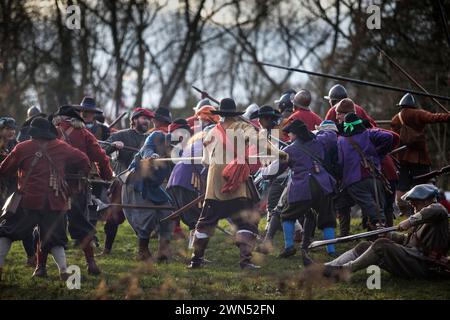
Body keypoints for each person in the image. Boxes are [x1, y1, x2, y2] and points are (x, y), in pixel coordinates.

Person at [188, 98, 286, 269]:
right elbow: (261, 142)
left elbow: (204, 161)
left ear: (221, 115)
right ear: (235, 114)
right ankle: (245, 262)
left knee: (205, 223)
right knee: (246, 222)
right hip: (236, 184)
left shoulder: (211, 132)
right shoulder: (243, 127)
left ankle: (196, 260)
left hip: (214, 185)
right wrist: (281, 154)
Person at [0, 118, 90, 282]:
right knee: (56, 238)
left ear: (32, 132)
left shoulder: (22, 147)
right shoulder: (62, 147)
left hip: (27, 200)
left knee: (6, 232)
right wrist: (80, 173)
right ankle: (63, 270)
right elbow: (84, 160)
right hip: (55, 202)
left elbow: (4, 170)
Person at [324, 184, 449, 279]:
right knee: (365, 246)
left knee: (381, 245)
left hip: (426, 265)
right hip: (414, 259)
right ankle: (330, 266)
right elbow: (408, 241)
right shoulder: (422, 219)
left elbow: (436, 210)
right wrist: (388, 234)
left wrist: (410, 221)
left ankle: (345, 270)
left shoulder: (437, 211)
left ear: (428, 201)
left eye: (416, 203)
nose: (413, 207)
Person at [51, 105, 113, 275]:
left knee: (48, 225)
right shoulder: (84, 133)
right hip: (77, 186)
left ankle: (39, 267)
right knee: (82, 225)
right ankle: (91, 264)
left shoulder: (50, 132)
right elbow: (101, 157)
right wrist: (106, 176)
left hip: (52, 186)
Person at [278, 120, 338, 258]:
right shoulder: (319, 141)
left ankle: (289, 247)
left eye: (291, 134)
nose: (289, 137)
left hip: (302, 187)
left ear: (297, 135)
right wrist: (317, 133)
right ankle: (331, 250)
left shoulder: (288, 150)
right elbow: (332, 135)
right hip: (323, 185)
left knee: (287, 216)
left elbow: (279, 168)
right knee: (327, 218)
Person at [100, 108, 154, 255]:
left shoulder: (151, 138)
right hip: (123, 181)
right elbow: (101, 149)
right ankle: (107, 249)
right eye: (144, 118)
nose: (147, 121)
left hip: (143, 183)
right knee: (113, 218)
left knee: (145, 217)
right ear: (134, 119)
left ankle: (143, 250)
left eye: (149, 119)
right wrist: (113, 145)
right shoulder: (121, 135)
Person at [391, 93, 450, 216]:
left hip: (401, 158)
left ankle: (405, 213)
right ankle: (428, 211)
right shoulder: (417, 113)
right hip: (418, 158)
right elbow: (434, 117)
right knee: (425, 185)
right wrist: (447, 116)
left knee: (402, 187)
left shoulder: (395, 119)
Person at [121, 128, 174, 262]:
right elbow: (147, 149)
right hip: (137, 182)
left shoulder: (174, 152)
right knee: (146, 215)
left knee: (167, 212)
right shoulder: (156, 136)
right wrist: (152, 156)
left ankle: (163, 250)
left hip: (153, 186)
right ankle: (142, 251)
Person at [337, 113, 394, 230]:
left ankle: (380, 227)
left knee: (371, 207)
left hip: (354, 180)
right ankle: (380, 229)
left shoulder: (341, 141)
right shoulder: (369, 133)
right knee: (378, 205)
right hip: (374, 176)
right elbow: (389, 137)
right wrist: (378, 153)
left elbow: (340, 162)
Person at [166, 119, 206, 248]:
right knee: (195, 217)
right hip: (186, 181)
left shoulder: (194, 143)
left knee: (192, 218)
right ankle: (195, 253)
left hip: (175, 181)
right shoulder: (203, 143)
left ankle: (192, 249)